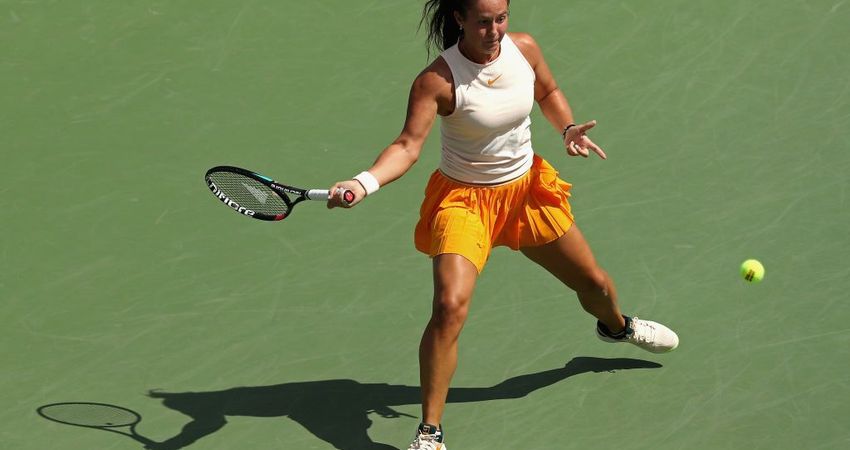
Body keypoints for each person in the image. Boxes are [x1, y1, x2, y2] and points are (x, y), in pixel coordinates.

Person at [328, 1, 679, 449]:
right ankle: (430, 432)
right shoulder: (437, 81)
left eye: (501, 19)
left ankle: (616, 327)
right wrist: (363, 183)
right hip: (464, 204)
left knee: (594, 283)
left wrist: (567, 128)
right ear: (458, 18)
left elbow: (547, 92)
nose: (494, 30)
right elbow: (407, 145)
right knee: (449, 307)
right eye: (482, 22)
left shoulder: (524, 49)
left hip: (526, 195)